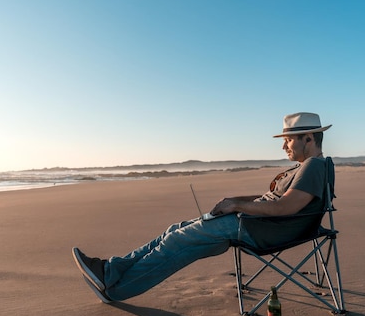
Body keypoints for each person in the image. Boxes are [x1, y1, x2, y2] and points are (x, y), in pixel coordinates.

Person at [72, 112, 332, 303]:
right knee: (176, 230)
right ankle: (111, 271)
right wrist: (234, 201)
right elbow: (275, 197)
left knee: (177, 239)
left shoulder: (313, 166)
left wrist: (238, 206)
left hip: (261, 230)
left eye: (288, 140)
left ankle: (116, 287)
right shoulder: (306, 167)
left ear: (308, 138)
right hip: (256, 224)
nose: (283, 145)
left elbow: (285, 207)